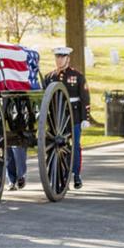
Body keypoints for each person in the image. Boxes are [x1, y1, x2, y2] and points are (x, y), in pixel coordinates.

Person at [44, 46, 90, 189]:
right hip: (56, 118)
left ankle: (76, 174)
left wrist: (85, 118)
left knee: (75, 145)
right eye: (57, 57)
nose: (59, 59)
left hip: (73, 116)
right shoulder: (49, 77)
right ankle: (57, 174)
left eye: (62, 57)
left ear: (68, 58)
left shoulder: (77, 76)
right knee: (55, 147)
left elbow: (85, 98)